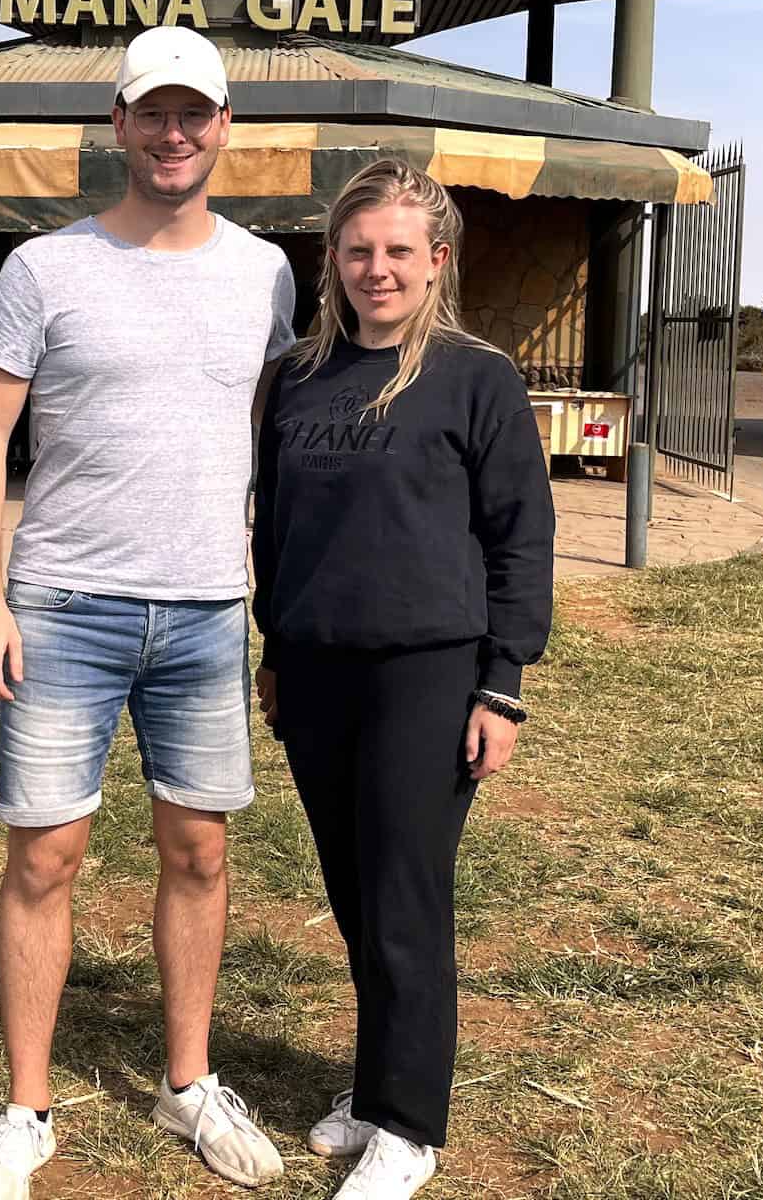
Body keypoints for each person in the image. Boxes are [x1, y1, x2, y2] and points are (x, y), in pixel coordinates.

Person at [0, 25, 298, 1200]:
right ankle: (26, 1109)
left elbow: (275, 437)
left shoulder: (265, 274)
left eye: (195, 113)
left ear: (225, 129)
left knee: (198, 849)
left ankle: (187, 1081)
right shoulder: (45, 270)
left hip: (204, 611)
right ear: (117, 127)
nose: (174, 133)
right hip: (63, 606)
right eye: (153, 112)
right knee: (46, 856)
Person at [251, 159, 554, 1200]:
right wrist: (275, 650)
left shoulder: (477, 378)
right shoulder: (295, 376)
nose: (376, 270)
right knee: (352, 889)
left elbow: (522, 536)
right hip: (318, 666)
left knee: (404, 895)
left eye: (397, 252)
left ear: (437, 261)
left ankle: (412, 1127)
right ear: (331, 260)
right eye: (356, 249)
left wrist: (502, 682)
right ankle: (377, 1089)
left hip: (429, 670)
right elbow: (279, 528)